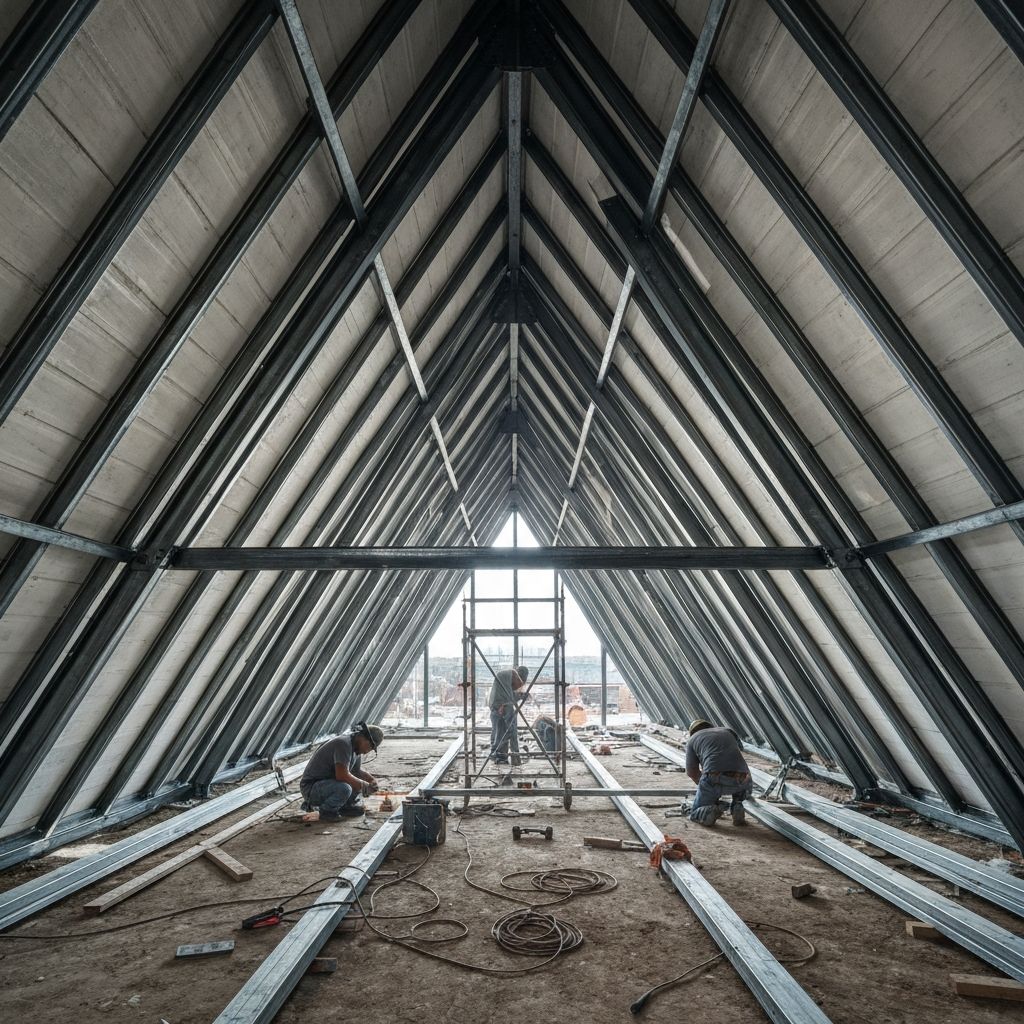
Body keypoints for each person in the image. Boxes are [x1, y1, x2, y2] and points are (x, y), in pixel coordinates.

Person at [300, 721, 383, 821]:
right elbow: (342, 775)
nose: (367, 752)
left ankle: (345, 807)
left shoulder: (355, 748)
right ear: (363, 738)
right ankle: (326, 812)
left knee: (354, 783)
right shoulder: (343, 744)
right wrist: (365, 786)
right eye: (370, 747)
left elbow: (356, 772)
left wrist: (371, 780)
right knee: (345, 788)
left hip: (327, 785)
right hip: (311, 788)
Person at [684, 719, 752, 826]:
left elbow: (691, 772)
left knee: (695, 814)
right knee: (741, 774)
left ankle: (711, 811)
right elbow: (740, 750)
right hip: (743, 778)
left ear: (692, 732)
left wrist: (705, 788)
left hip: (714, 776)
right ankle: (737, 806)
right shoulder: (727, 731)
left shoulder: (692, 740)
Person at [488, 665, 529, 766]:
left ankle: (500, 756)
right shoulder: (511, 675)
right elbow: (511, 696)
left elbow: (511, 694)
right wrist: (522, 695)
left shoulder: (504, 676)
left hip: (495, 706)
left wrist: (521, 696)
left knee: (499, 730)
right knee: (511, 730)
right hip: (503, 705)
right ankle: (514, 758)